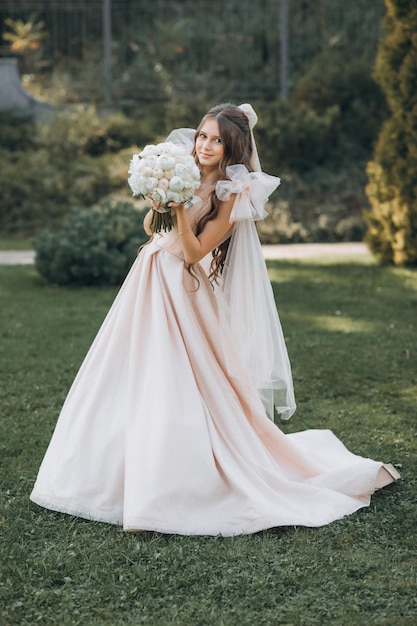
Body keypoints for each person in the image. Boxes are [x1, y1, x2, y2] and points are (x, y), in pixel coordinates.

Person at [30, 103, 400, 536]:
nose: (204, 145)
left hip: (182, 290)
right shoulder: (180, 170)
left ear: (231, 147)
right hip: (148, 279)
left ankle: (176, 479)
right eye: (202, 136)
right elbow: (154, 229)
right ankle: (100, 473)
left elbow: (193, 252)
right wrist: (159, 201)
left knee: (181, 380)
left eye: (216, 140)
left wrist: (181, 206)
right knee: (127, 372)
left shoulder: (232, 194)